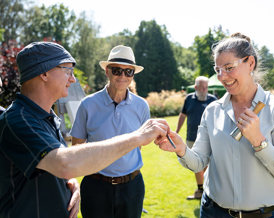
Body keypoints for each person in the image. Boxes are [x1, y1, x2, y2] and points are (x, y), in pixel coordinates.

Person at [0, 42, 170, 218]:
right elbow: (65, 163)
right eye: (67, 70)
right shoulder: (19, 120)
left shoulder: (46, 117)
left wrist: (70, 180)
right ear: (44, 73)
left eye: (129, 71)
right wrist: (137, 137)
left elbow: (56, 165)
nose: (72, 79)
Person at [158, 33, 274, 217]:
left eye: (229, 68)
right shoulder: (212, 111)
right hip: (214, 212)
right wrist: (181, 149)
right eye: (218, 69)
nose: (222, 77)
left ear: (250, 63)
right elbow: (198, 163)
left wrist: (259, 142)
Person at [70, 45, 150, 218]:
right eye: (117, 70)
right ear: (107, 71)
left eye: (128, 72)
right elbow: (76, 148)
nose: (122, 76)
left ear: (133, 75)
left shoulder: (142, 106)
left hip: (132, 186)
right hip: (96, 187)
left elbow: (138, 146)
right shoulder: (87, 105)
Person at [176, 76, 216, 200]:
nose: (204, 90)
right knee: (196, 165)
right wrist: (176, 131)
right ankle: (200, 191)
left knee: (207, 166)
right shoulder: (189, 99)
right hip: (192, 138)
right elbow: (183, 115)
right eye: (201, 87)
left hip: (210, 139)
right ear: (195, 87)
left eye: (206, 87)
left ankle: (209, 190)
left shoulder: (213, 100)